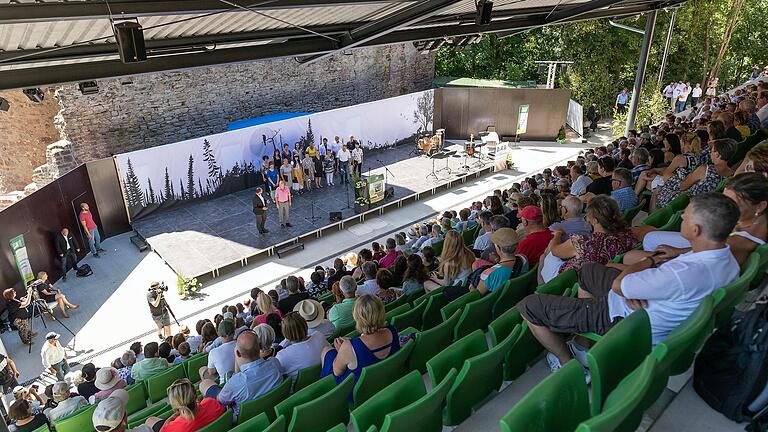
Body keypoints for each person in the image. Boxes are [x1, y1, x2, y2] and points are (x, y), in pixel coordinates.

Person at [518, 193, 741, 372]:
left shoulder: (682, 273)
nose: (682, 215)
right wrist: (634, 279)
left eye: (687, 215)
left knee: (529, 305)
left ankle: (570, 365)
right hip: (645, 301)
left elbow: (620, 286)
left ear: (696, 230)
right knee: (589, 270)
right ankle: (582, 343)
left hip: (625, 318)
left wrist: (648, 261)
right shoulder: (728, 259)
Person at [631, 173, 767, 266]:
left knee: (634, 253)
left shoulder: (738, 241)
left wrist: (676, 252)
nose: (724, 206)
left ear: (760, 206)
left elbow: (709, 252)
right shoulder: (758, 220)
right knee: (651, 236)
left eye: (733, 203)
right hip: (709, 246)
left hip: (698, 263)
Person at [540, 196, 637, 282]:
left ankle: (540, 288)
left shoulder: (583, 243)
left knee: (546, 254)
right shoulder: (627, 235)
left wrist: (558, 234)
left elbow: (555, 250)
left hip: (570, 279)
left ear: (594, 220)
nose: (586, 218)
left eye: (588, 215)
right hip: (598, 274)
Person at [320, 295, 399, 384]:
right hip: (386, 377)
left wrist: (342, 350)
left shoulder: (348, 347)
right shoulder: (393, 331)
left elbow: (337, 372)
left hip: (358, 390)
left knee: (326, 350)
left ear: (357, 317)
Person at [200, 330, 282, 416]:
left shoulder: (236, 383)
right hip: (270, 410)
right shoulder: (275, 363)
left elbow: (220, 400)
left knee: (204, 384)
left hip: (242, 418)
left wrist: (236, 357)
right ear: (260, 346)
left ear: (238, 353)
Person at [145, 379, 224, 432]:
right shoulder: (212, 403)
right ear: (196, 395)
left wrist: (170, 419)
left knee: (150, 420)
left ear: (175, 406)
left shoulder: (172, 428)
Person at [275, 312, 327, 379]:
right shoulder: (319, 336)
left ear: (285, 333)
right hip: (324, 380)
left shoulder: (282, 356)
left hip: (300, 388)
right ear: (305, 325)